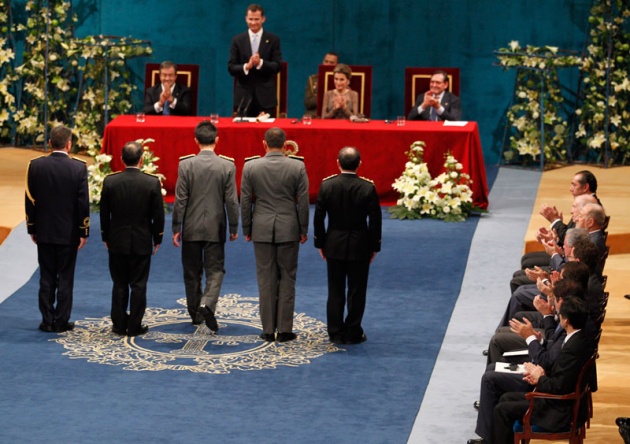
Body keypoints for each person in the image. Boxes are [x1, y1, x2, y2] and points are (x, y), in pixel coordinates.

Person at [491, 297, 595, 444]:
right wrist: (540, 374)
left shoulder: (572, 349)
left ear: (566, 321)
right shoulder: (580, 339)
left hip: (558, 410)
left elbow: (559, 387)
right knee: (505, 398)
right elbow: (565, 376)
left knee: (502, 410)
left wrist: (540, 378)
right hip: (561, 402)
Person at [240, 127, 309, 342]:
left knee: (265, 279)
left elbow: (245, 202)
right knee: (288, 278)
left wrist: (247, 228)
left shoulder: (250, 166)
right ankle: (285, 330)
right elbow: (303, 203)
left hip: (261, 228)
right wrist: (303, 229)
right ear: (285, 144)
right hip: (289, 228)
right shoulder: (297, 166)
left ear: (264, 144)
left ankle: (268, 330)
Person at [172, 121, 239, 330]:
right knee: (216, 270)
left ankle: (195, 314)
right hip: (215, 227)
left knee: (191, 272)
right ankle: (207, 303)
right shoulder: (227, 166)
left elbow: (180, 199)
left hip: (191, 227)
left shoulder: (186, 165)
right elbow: (231, 200)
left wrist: (176, 227)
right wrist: (235, 226)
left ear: (195, 141)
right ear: (216, 140)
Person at [313, 147, 382, 344]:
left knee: (335, 290)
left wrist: (321, 242)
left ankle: (335, 331)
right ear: (359, 164)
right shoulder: (367, 187)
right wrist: (374, 246)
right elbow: (375, 221)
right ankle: (353, 331)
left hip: (334, 243)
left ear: (338, 163)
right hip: (360, 246)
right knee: (357, 290)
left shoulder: (328, 185)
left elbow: (319, 217)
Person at [25, 125, 90, 333]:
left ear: (50, 143)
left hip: (44, 231)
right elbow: (83, 203)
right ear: (69, 144)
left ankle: (47, 320)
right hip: (68, 234)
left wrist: (32, 228)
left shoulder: (35, 166)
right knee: (65, 277)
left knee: (46, 277)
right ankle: (61, 321)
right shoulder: (78, 168)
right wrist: (83, 231)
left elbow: (30, 200)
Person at [100, 141, 165, 336]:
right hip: (142, 240)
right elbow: (158, 216)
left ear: (121, 159)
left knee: (119, 283)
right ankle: (135, 325)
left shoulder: (110, 181)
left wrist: (105, 235)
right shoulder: (152, 182)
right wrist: (157, 238)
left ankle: (119, 324)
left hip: (117, 240)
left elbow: (104, 214)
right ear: (142, 159)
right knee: (138, 284)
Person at [228, 4, 282, 117]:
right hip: (243, 97)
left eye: (256, 19)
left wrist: (261, 63)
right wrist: (246, 66)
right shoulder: (237, 40)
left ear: (263, 19)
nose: (253, 22)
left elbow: (277, 66)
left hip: (266, 98)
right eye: (250, 19)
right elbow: (231, 67)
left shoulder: (273, 40)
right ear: (246, 19)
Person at [304, 52, 338, 118]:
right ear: (322, 62)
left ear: (336, 65)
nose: (328, 64)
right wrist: (323, 95)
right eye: (326, 61)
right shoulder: (313, 79)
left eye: (331, 63)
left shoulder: (340, 81)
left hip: (335, 115)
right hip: (314, 114)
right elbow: (308, 103)